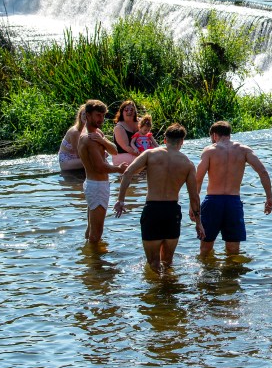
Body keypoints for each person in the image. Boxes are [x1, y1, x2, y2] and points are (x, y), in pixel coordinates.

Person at [114, 123, 199, 273]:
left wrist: (120, 200)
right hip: (172, 212)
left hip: (152, 210)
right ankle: (168, 292)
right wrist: (199, 223)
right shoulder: (188, 163)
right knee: (167, 263)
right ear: (182, 142)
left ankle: (155, 293)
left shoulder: (150, 154)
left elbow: (127, 173)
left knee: (153, 264)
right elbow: (194, 197)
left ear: (165, 139)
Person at [194, 120, 272, 256]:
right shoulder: (244, 150)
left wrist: (193, 205)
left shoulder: (209, 151)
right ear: (229, 134)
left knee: (205, 250)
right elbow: (263, 172)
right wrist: (269, 198)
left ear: (214, 135)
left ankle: (206, 276)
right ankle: (231, 276)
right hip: (233, 202)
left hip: (213, 201)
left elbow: (198, 179)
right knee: (233, 251)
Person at [77, 99, 129, 244]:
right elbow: (99, 166)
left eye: (103, 116)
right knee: (96, 233)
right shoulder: (88, 138)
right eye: (98, 115)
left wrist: (103, 141)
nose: (101, 119)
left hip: (95, 185)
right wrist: (118, 169)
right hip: (96, 186)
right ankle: (95, 265)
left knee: (91, 230)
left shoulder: (97, 134)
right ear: (87, 115)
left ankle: (89, 260)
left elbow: (114, 151)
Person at [57, 105, 87, 172]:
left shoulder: (90, 130)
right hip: (67, 160)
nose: (86, 116)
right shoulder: (75, 132)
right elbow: (78, 153)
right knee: (94, 160)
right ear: (80, 116)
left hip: (78, 159)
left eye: (88, 114)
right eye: (84, 114)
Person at [112, 100, 141, 166]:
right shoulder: (119, 127)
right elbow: (126, 147)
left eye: (132, 110)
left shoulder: (140, 122)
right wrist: (143, 155)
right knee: (147, 160)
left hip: (139, 153)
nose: (129, 111)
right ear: (122, 112)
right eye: (126, 110)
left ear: (135, 111)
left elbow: (149, 137)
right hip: (122, 156)